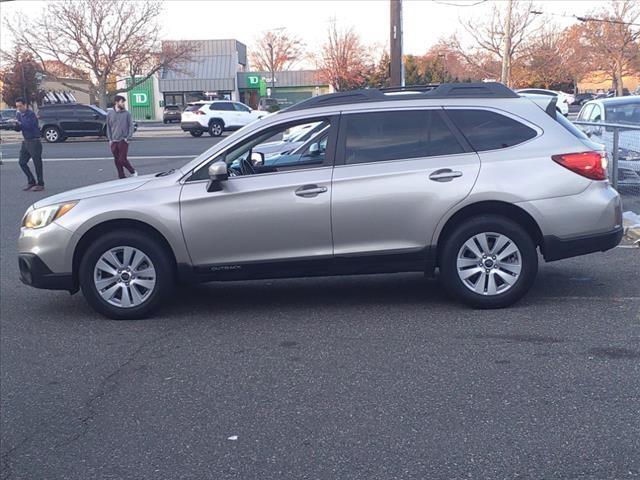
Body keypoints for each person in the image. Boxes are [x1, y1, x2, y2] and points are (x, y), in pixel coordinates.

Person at [15, 98, 44, 191]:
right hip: (26, 141)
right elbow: (20, 128)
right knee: (22, 162)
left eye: (20, 106)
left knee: (37, 163)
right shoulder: (19, 115)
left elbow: (29, 126)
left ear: (25, 105)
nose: (19, 108)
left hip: (34, 141)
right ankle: (31, 181)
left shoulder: (31, 114)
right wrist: (15, 125)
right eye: (17, 106)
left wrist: (20, 124)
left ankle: (40, 184)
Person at [107, 95, 137, 179]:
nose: (123, 103)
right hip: (114, 140)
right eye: (122, 102)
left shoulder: (127, 114)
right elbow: (108, 127)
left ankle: (133, 172)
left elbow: (131, 126)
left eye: (123, 102)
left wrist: (128, 137)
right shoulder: (110, 114)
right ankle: (121, 176)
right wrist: (110, 139)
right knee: (116, 160)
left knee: (122, 159)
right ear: (116, 103)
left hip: (123, 140)